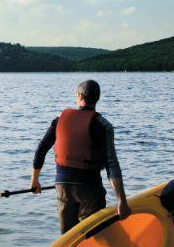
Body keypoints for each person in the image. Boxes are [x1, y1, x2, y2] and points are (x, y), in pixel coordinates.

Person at [31, 79, 130, 234]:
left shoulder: (60, 119)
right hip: (89, 190)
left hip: (62, 186)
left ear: (79, 96)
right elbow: (112, 165)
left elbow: (41, 149)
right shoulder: (103, 125)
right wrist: (121, 201)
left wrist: (35, 180)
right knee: (94, 237)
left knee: (69, 239)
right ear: (97, 98)